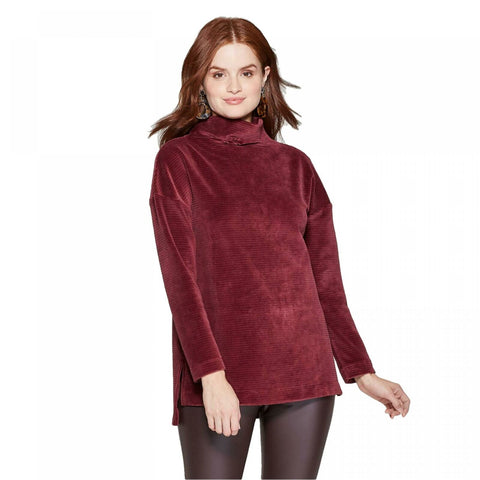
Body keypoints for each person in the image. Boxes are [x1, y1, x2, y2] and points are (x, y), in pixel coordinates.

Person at [148, 16, 410, 480]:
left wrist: (360, 370)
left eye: (246, 72)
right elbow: (180, 281)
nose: (233, 86)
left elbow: (326, 284)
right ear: (200, 81)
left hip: (304, 374)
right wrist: (211, 377)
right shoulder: (179, 160)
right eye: (218, 73)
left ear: (265, 77)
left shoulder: (296, 167)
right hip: (219, 375)